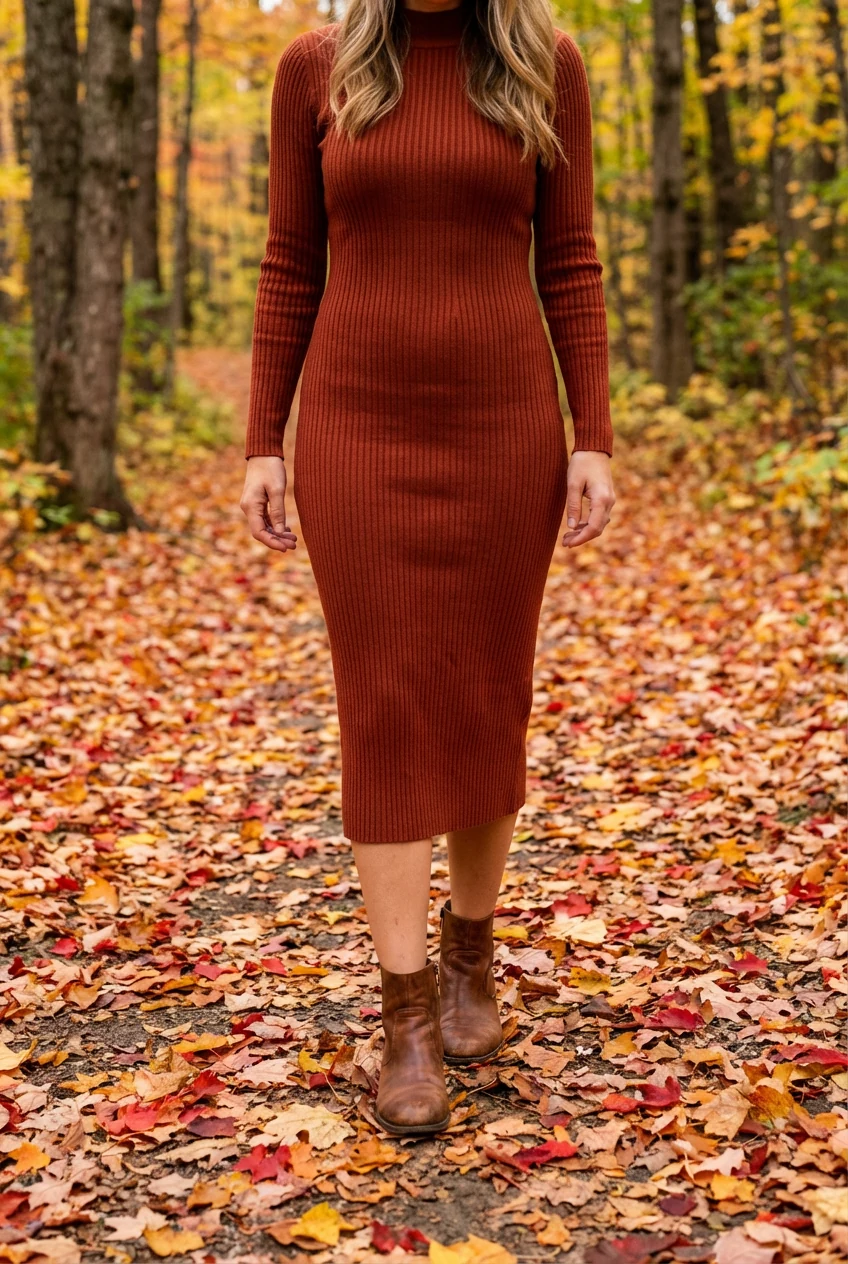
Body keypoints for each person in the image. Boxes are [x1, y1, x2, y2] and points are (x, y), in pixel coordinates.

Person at [239, 0, 615, 1136]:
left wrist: (591, 436)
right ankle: (404, 1012)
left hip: (504, 428)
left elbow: (570, 260)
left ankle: (469, 956)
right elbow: (290, 262)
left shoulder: (545, 62)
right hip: (356, 425)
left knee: (486, 693)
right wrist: (263, 441)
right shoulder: (316, 69)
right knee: (387, 702)